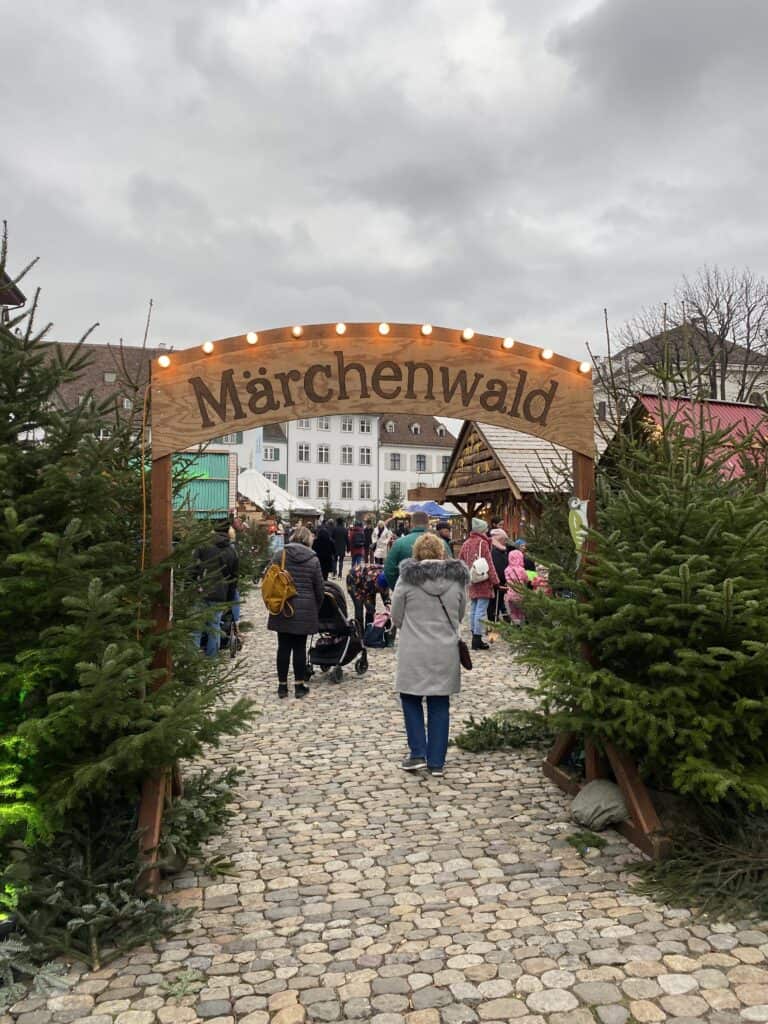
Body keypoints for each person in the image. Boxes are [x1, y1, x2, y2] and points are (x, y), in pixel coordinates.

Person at [390, 532, 469, 777]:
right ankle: (437, 762)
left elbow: (396, 616)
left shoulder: (406, 581)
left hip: (414, 649)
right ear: (441, 553)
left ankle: (417, 753)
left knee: (411, 698)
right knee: (439, 702)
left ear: (415, 554)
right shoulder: (456, 581)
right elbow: (460, 614)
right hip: (444, 650)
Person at [266, 525, 323, 699]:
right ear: (308, 540)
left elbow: (269, 578)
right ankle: (299, 686)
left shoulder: (280, 555)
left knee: (283, 647)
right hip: (305, 609)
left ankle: (282, 686)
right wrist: (315, 607)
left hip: (282, 605)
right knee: (299, 647)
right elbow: (319, 588)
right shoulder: (313, 560)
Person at [192, 520, 239, 657]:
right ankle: (212, 659)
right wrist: (229, 600)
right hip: (220, 593)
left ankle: (194, 660)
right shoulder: (231, 551)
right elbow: (233, 578)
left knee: (196, 628)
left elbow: (193, 568)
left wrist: (191, 585)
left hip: (201, 590)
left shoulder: (203, 546)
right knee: (214, 626)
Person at [384, 510, 452, 589]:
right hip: (438, 592)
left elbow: (389, 570)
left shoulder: (399, 544)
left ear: (412, 524)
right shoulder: (441, 542)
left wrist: (398, 588)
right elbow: (450, 568)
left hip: (408, 592)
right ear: (428, 524)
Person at [459, 518, 499, 650]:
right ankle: (477, 639)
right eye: (485, 529)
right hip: (483, 580)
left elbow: (460, 562)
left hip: (472, 580)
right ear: (482, 530)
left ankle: (474, 636)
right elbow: (490, 564)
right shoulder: (483, 543)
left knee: (474, 609)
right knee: (481, 611)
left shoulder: (466, 543)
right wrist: (495, 581)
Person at [487, 528, 510, 623]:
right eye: (504, 539)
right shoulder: (496, 552)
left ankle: (495, 619)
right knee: (494, 602)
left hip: (500, 581)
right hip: (497, 582)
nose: (505, 542)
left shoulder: (500, 550)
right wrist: (500, 581)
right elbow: (498, 568)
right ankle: (493, 620)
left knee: (498, 601)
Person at [504, 547, 529, 625]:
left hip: (510, 595)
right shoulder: (522, 570)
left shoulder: (507, 569)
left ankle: (515, 625)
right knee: (521, 612)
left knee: (513, 612)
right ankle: (521, 626)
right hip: (520, 594)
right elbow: (526, 580)